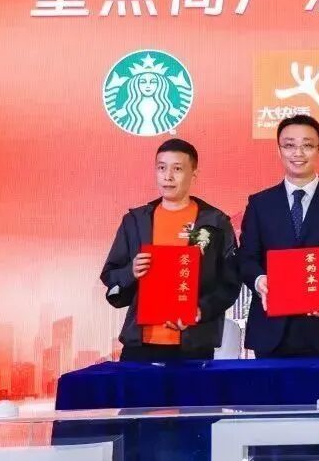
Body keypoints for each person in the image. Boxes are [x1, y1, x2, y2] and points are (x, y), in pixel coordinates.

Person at [100, 139, 240, 361]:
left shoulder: (214, 222)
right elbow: (110, 275)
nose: (168, 176)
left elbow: (230, 283)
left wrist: (201, 310)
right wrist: (131, 272)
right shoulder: (136, 221)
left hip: (194, 346)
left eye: (177, 169)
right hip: (140, 345)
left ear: (194, 174)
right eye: (161, 168)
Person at [238, 114, 319, 358]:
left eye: (307, 145)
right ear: (279, 151)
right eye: (289, 145)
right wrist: (259, 281)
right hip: (270, 327)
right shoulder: (260, 203)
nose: (298, 153)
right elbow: (246, 256)